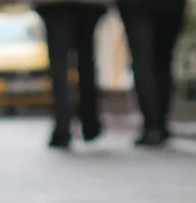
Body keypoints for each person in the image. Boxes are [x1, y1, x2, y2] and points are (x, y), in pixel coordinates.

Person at [32, 0, 110, 149]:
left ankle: (62, 126)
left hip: (55, 5)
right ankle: (90, 122)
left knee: (59, 64)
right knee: (86, 60)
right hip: (88, 5)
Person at [116, 0, 187, 147]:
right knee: (163, 60)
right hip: (170, 5)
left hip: (135, 6)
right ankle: (160, 123)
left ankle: (152, 125)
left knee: (142, 59)